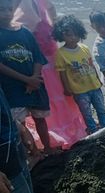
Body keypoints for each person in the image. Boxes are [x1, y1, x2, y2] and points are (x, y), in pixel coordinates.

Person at [13, 0, 88, 150]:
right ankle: (64, 129)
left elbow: (27, 22)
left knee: (52, 94)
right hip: (47, 49)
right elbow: (51, 12)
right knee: (57, 92)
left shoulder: (24, 3)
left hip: (40, 53)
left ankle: (57, 132)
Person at [0, 0, 53, 157]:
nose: (7, 13)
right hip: (13, 87)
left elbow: (38, 57)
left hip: (35, 85)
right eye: (2, 10)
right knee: (19, 124)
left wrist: (34, 78)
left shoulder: (25, 33)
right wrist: (26, 79)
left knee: (40, 118)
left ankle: (48, 147)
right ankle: (34, 152)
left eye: (9, 9)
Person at [53, 15, 105, 134]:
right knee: (86, 113)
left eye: (76, 34)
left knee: (101, 109)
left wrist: (98, 80)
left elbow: (92, 66)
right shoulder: (60, 53)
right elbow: (62, 74)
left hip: (94, 86)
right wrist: (66, 89)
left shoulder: (84, 48)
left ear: (80, 34)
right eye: (69, 35)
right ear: (61, 35)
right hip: (79, 91)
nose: (73, 38)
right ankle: (93, 131)